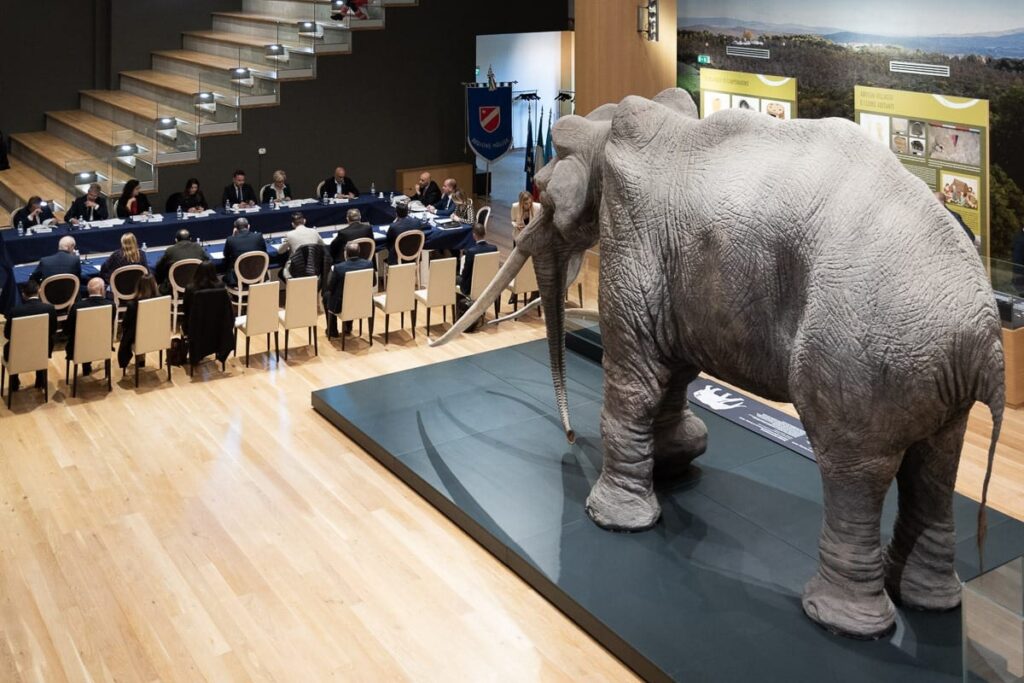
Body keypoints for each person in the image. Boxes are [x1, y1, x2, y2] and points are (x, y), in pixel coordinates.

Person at [3, 280, 57, 392]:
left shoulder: (14, 311)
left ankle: (14, 383)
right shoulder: (49, 309)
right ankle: (40, 380)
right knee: (41, 343)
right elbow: (52, 330)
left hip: (17, 352)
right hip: (43, 349)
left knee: (12, 346)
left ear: (23, 294)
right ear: (39, 291)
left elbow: (8, 335)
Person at [64, 277, 113, 376]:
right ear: (102, 290)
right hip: (103, 344)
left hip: (79, 346)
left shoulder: (77, 307)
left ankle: (86, 366)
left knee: (84, 337)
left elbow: (67, 330)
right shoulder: (111, 305)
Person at [324, 242, 374, 337]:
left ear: (345, 253)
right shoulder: (369, 264)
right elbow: (373, 283)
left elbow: (330, 287)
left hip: (343, 305)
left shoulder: (338, 268)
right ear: (359, 252)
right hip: (363, 302)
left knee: (327, 296)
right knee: (352, 295)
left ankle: (332, 330)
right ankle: (348, 327)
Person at [117, 274, 159, 370]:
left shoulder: (132, 305)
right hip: (157, 334)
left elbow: (125, 324)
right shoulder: (161, 300)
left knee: (133, 332)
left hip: (139, 336)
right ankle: (141, 361)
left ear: (138, 287)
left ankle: (139, 360)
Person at [154, 228, 210, 295]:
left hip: (175, 289)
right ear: (190, 239)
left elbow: (159, 268)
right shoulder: (199, 248)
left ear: (176, 240)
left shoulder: (170, 251)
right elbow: (208, 263)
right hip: (198, 287)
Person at [277, 212, 324, 279]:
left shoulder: (289, 235)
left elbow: (280, 251)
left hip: (296, 269)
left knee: (281, 273)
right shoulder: (314, 232)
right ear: (304, 221)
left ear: (293, 224)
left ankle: (294, 287)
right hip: (314, 267)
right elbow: (323, 245)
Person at [222, 217, 268, 286]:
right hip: (258, 274)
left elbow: (226, 255)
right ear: (248, 226)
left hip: (238, 278)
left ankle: (235, 296)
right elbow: (264, 252)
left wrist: (233, 236)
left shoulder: (230, 240)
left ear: (236, 229)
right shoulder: (258, 236)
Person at [458, 222, 498, 296]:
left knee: (458, 279)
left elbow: (466, 273)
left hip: (471, 286)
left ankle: (463, 306)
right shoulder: (494, 248)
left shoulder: (471, 252)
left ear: (474, 235)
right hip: (489, 284)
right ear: (485, 233)